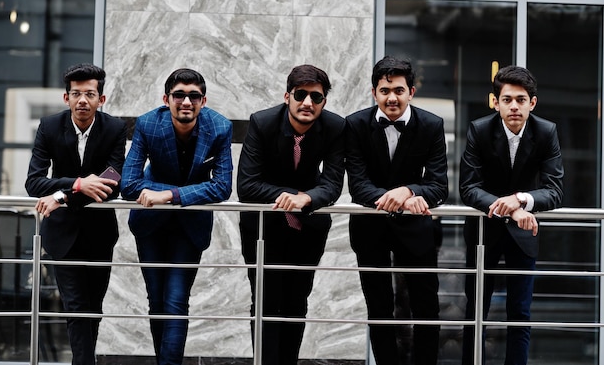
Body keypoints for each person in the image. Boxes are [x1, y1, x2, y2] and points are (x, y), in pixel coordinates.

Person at [120, 68, 233, 365]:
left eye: (193, 96)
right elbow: (129, 184)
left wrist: (168, 196)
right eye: (179, 95)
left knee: (175, 301)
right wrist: (175, 193)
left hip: (189, 226)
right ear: (166, 99)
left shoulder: (220, 127)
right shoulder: (148, 124)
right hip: (150, 224)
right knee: (156, 301)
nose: (186, 101)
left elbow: (222, 187)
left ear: (203, 101)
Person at [237, 64, 345, 365]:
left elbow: (333, 183)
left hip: (308, 228)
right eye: (301, 94)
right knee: (266, 301)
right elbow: (246, 185)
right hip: (264, 227)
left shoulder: (335, 127)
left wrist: (306, 199)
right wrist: (289, 196)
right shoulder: (262, 122)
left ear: (324, 101)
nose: (308, 103)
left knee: (297, 302)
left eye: (316, 97)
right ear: (288, 96)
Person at [345, 56, 448, 365]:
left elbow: (439, 186)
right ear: (374, 93)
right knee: (378, 308)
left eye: (399, 90)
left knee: (426, 307)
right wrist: (401, 197)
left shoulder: (431, 125)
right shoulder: (355, 124)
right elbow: (359, 186)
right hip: (370, 228)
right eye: (385, 90)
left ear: (411, 92)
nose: (392, 97)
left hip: (417, 230)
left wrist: (410, 191)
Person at [459, 65, 563, 365]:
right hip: (483, 232)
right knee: (475, 311)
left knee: (520, 313)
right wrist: (512, 211)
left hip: (524, 234)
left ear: (533, 102)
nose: (513, 106)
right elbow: (469, 188)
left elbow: (555, 190)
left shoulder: (547, 132)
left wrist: (519, 200)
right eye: (507, 99)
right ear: (496, 102)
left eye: (520, 99)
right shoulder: (479, 129)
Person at [25, 63, 127, 365]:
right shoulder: (49, 126)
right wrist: (78, 183)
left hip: (99, 233)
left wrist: (60, 196)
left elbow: (113, 183)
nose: (83, 100)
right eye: (76, 94)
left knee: (93, 308)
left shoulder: (115, 128)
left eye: (90, 94)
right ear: (66, 97)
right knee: (76, 306)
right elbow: (33, 182)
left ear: (101, 99)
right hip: (62, 235)